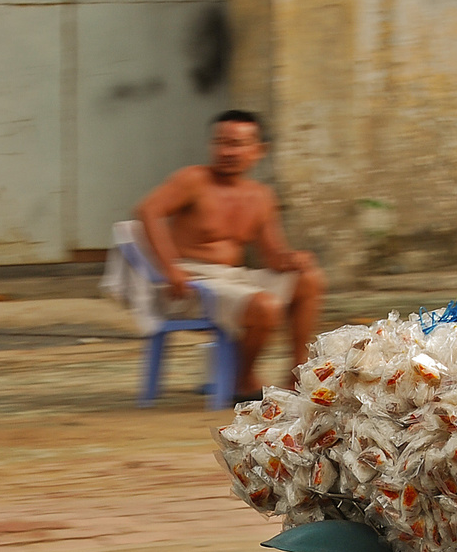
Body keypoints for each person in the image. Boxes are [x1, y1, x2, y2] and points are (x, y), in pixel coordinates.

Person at [135, 111, 325, 402]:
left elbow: (273, 256)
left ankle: (295, 372)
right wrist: (170, 267)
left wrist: (292, 260)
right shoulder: (193, 180)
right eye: (221, 143)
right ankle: (242, 376)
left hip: (232, 279)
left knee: (309, 279)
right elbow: (148, 211)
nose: (227, 151)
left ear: (258, 151)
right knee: (266, 305)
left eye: (237, 144)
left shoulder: (261, 195)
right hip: (191, 281)